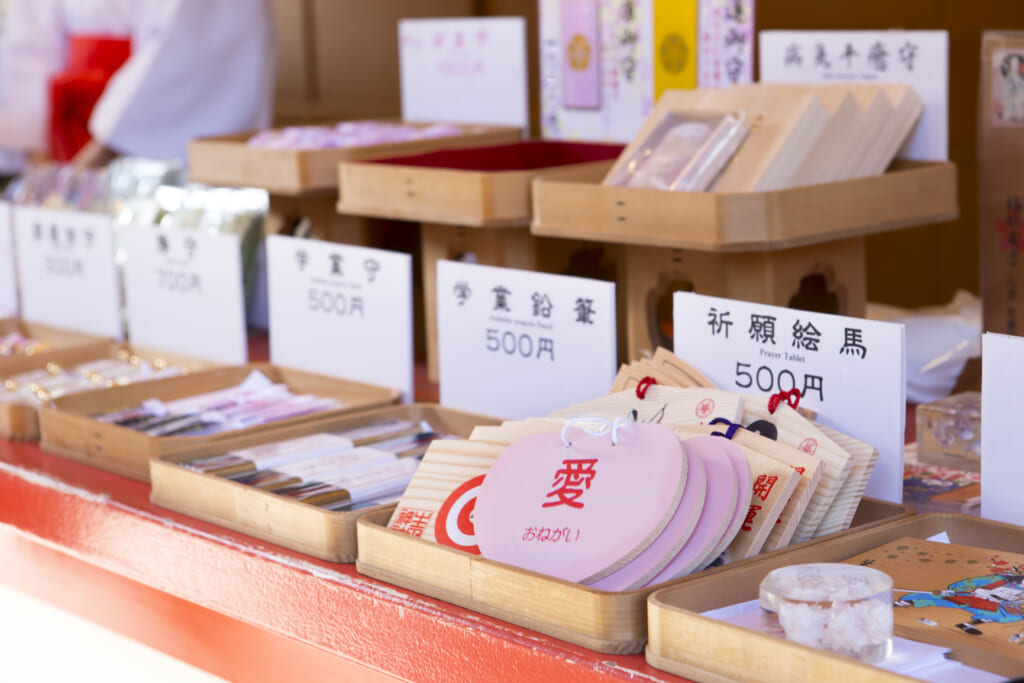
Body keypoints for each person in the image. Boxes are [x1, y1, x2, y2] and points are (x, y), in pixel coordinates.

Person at [0, 0, 274, 166]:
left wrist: (102, 149)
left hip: (144, 146)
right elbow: (27, 51)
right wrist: (37, 149)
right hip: (62, 141)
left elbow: (190, 38)